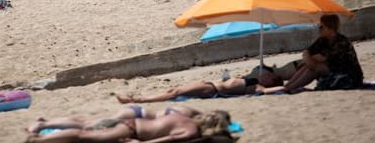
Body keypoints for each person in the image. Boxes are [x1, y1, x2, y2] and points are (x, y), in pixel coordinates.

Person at [266, 14, 364, 93]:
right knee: (308, 66)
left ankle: (288, 88)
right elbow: (306, 53)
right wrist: (311, 58)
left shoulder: (341, 42)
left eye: (321, 26)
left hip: (348, 75)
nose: (319, 29)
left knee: (314, 68)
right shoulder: (323, 40)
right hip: (332, 70)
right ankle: (288, 86)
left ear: (330, 28)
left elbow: (319, 60)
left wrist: (311, 59)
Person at [26, 110, 231, 143]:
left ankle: (42, 131)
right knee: (83, 135)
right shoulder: (192, 131)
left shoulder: (185, 116)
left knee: (85, 126)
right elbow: (168, 140)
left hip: (130, 123)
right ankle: (39, 140)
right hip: (131, 131)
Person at [115, 66, 282, 104]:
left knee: (175, 92)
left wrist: (295, 87)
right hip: (209, 85)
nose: (266, 74)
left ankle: (136, 100)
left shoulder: (259, 88)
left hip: (212, 89)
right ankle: (137, 99)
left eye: (269, 75)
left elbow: (280, 89)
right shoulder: (254, 81)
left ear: (271, 81)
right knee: (173, 91)